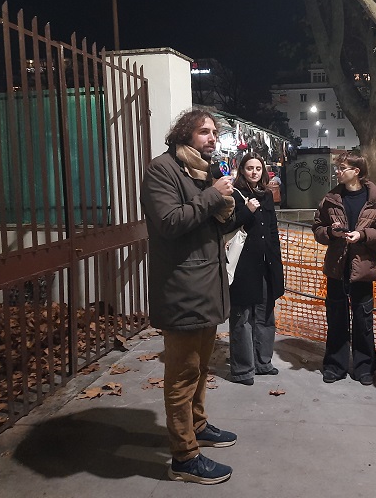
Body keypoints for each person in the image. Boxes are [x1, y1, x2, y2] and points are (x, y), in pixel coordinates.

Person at [140, 109, 237, 485]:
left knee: (200, 368)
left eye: (214, 132)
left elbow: (213, 224)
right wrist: (212, 196)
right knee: (182, 375)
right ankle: (184, 456)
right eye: (204, 132)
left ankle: (198, 426)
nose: (212, 138)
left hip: (206, 286)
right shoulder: (162, 170)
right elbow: (169, 222)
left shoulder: (202, 171)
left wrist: (227, 204)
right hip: (182, 288)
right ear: (184, 135)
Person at [312, 152, 376, 386]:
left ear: (356, 171)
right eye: (337, 168)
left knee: (363, 321)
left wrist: (363, 235)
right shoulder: (331, 199)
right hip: (336, 269)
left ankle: (364, 367)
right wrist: (331, 232)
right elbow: (318, 228)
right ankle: (334, 366)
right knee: (336, 319)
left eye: (342, 168)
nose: (337, 172)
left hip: (363, 270)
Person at [225, 153, 285, 385]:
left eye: (258, 169)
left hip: (265, 263)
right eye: (250, 168)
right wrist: (247, 211)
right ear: (242, 170)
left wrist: (276, 261)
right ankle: (242, 369)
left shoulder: (266, 195)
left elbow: (272, 230)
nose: (254, 172)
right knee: (242, 317)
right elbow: (225, 225)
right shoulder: (234, 194)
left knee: (265, 313)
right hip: (243, 264)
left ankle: (263, 362)